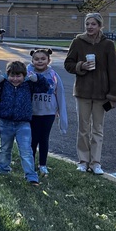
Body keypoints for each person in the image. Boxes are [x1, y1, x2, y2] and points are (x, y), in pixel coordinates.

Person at [64, 12, 116, 175]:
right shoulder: (77, 42)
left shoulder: (108, 44)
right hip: (82, 92)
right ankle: (83, 161)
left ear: (100, 26)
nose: (90, 27)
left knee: (98, 129)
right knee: (83, 128)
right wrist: (81, 66)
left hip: (102, 94)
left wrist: (114, 95)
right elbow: (68, 64)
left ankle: (96, 162)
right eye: (87, 24)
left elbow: (113, 71)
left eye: (93, 24)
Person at [0, 60, 49, 186]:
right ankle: (3, 169)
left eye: (18, 76)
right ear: (7, 75)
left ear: (24, 75)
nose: (15, 79)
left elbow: (45, 87)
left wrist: (37, 78)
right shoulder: (3, 84)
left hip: (23, 123)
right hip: (5, 122)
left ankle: (31, 176)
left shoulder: (29, 84)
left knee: (26, 150)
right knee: (4, 149)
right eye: (12, 75)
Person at [28, 48, 69, 177]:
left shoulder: (54, 76)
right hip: (32, 113)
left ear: (48, 60)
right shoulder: (27, 74)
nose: (39, 61)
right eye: (36, 59)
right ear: (32, 60)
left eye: (43, 59)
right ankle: (30, 164)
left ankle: (43, 165)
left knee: (44, 139)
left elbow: (60, 95)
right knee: (32, 139)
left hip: (48, 113)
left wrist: (62, 118)